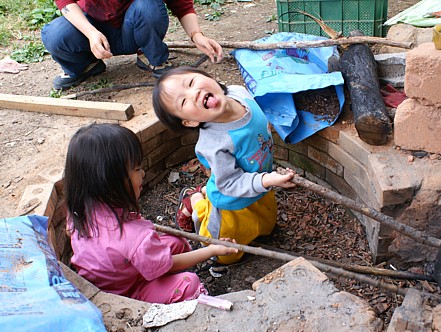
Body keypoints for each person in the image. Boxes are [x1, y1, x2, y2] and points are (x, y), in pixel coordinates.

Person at [64, 123, 237, 304]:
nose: (144, 173)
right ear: (112, 181)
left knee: (175, 242)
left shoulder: (78, 208)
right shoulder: (135, 237)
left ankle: (157, 276)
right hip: (125, 294)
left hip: (107, 279)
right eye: (137, 169)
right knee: (189, 283)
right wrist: (211, 251)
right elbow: (167, 264)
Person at [152, 67, 297, 264]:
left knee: (266, 227)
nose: (193, 93)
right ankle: (196, 202)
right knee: (225, 254)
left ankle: (201, 192)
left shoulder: (240, 93)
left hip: (259, 186)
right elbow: (229, 184)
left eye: (191, 83)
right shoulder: (214, 143)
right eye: (184, 101)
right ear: (190, 122)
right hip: (231, 202)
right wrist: (268, 179)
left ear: (207, 75)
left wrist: (267, 179)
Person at [41, 0, 223, 90]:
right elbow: (65, 2)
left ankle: (152, 56)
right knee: (55, 35)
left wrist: (196, 35)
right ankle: (86, 65)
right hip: (94, 29)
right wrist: (90, 33)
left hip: (133, 27)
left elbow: (181, 5)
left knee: (148, 5)